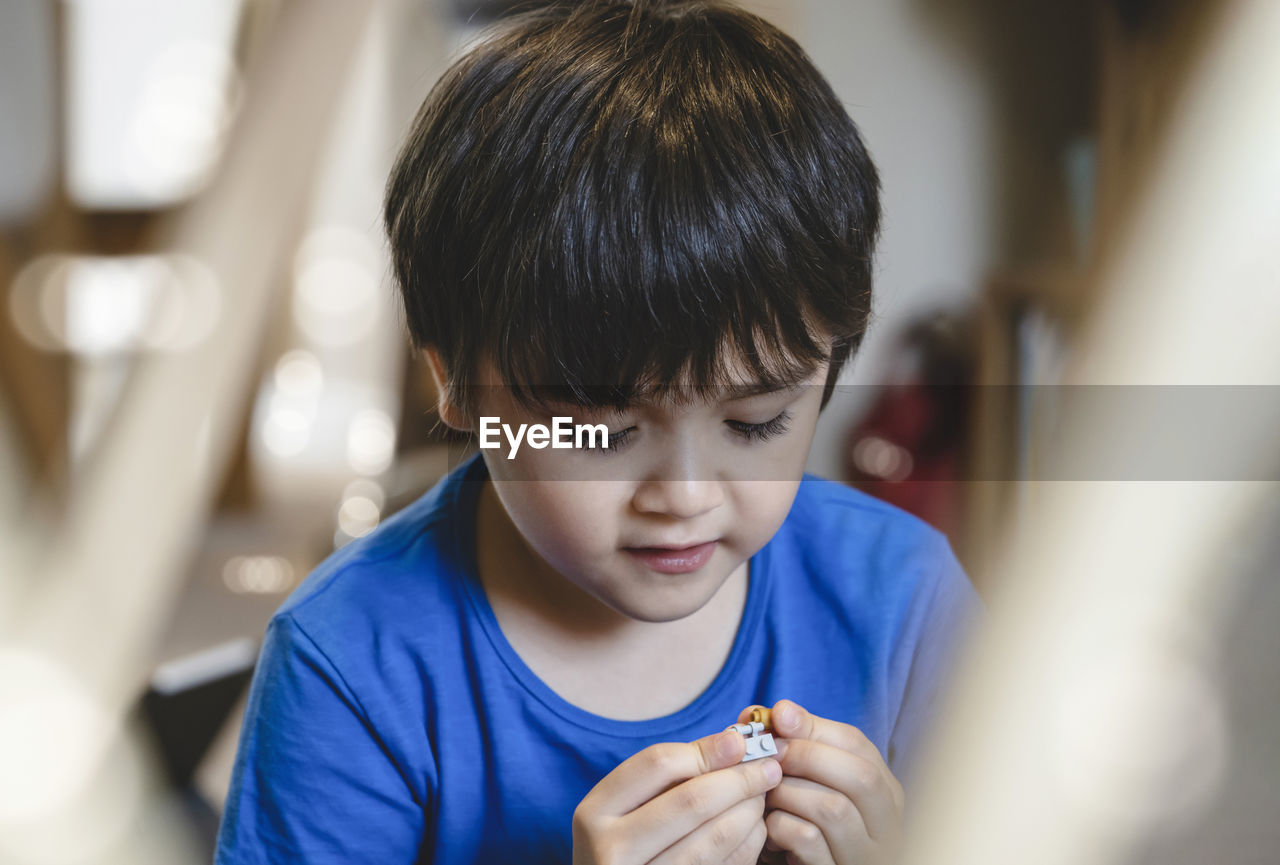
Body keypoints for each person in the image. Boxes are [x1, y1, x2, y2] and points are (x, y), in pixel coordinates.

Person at [214, 1, 980, 862]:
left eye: (757, 421)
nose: (686, 494)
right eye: (605, 432)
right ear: (455, 382)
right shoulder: (353, 660)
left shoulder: (905, 607)